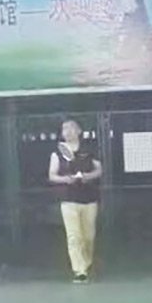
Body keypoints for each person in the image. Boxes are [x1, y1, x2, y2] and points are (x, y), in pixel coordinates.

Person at [49, 119, 103, 283]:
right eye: (64, 129)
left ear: (79, 131)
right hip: (68, 200)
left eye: (71, 128)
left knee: (88, 237)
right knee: (74, 237)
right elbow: (52, 175)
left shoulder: (89, 150)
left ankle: (86, 263)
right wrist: (66, 179)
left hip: (89, 199)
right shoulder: (57, 153)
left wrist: (88, 176)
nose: (68, 131)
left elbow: (99, 170)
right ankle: (79, 271)